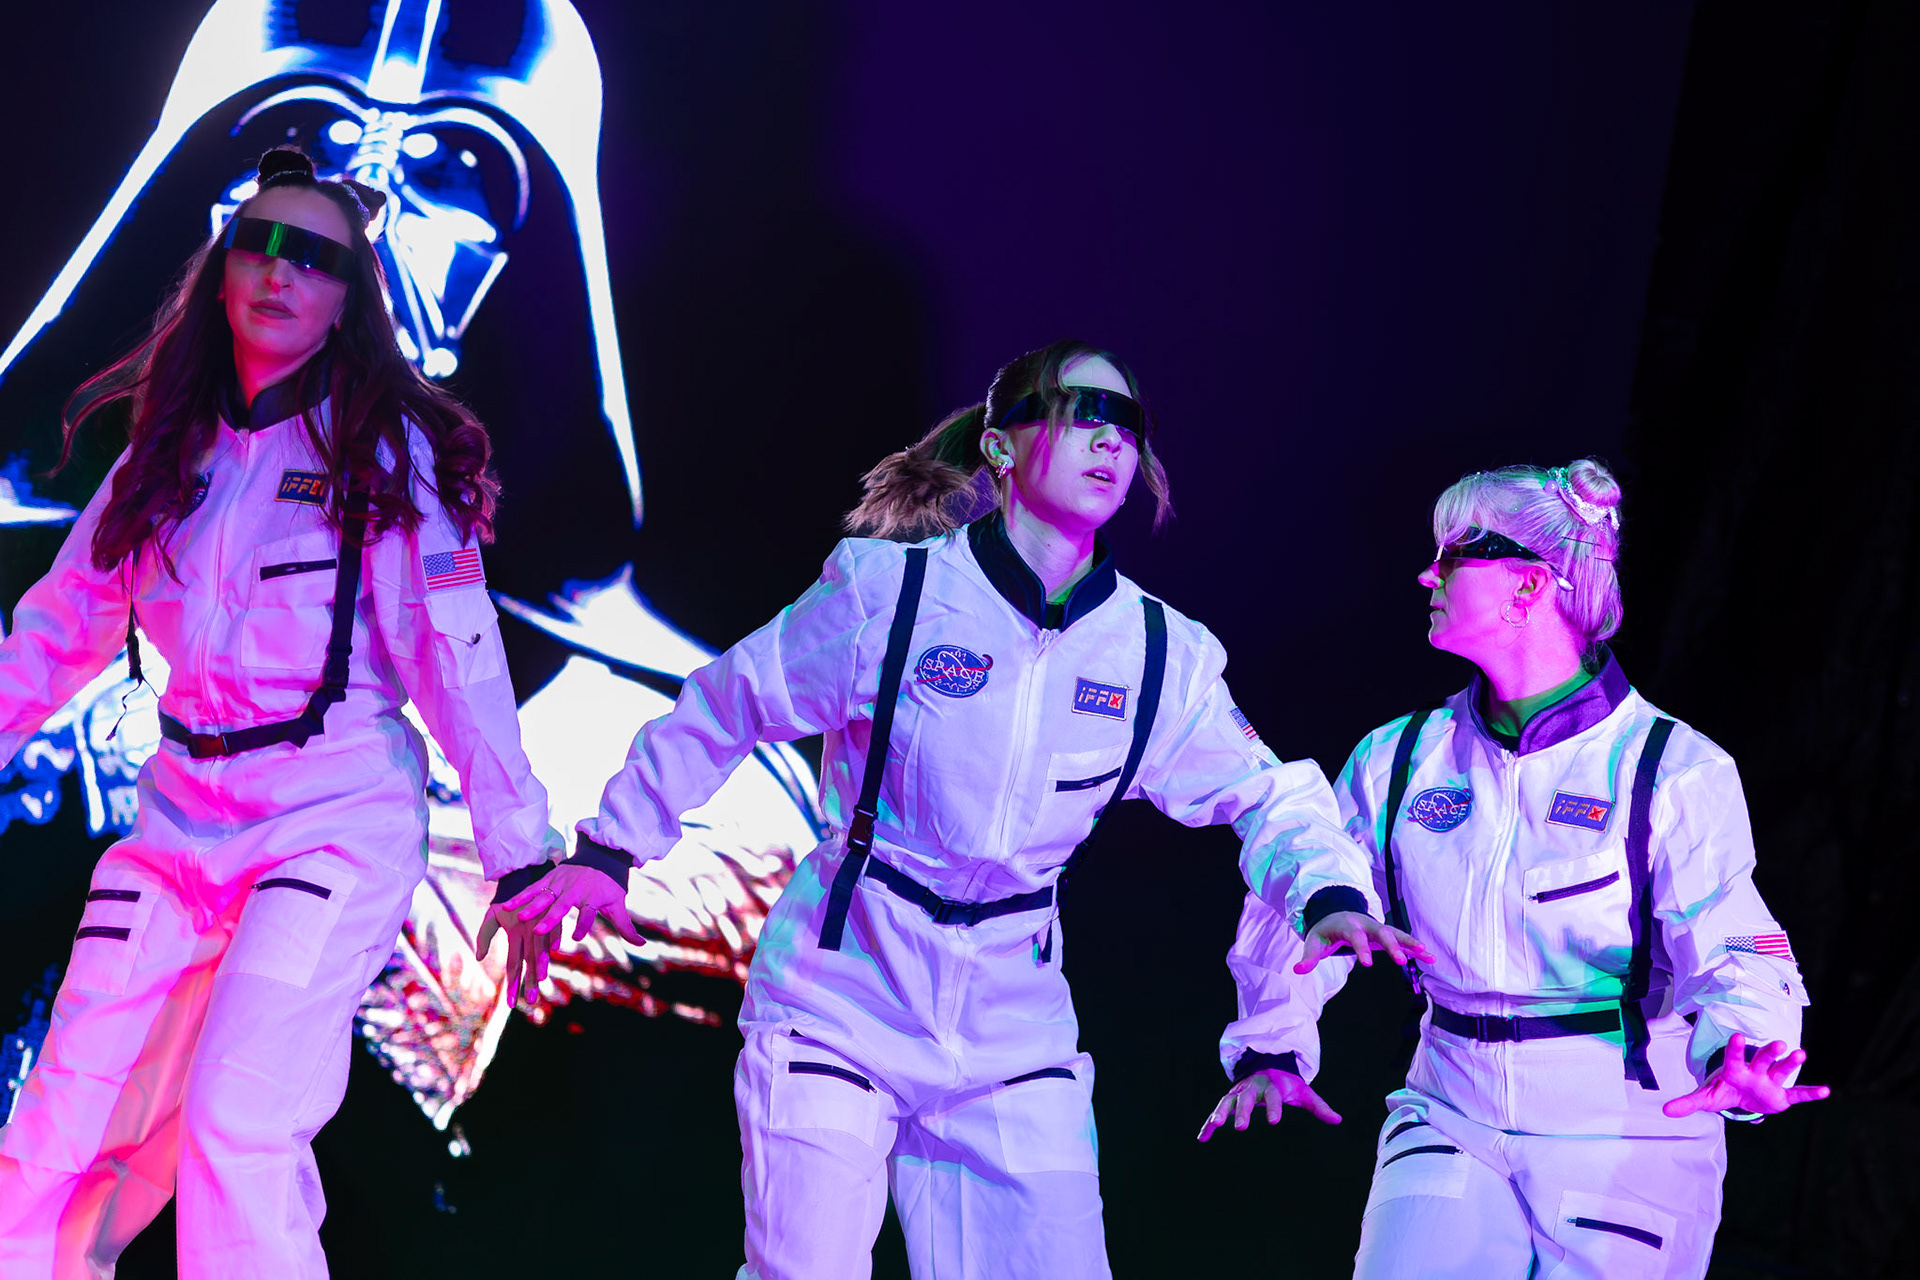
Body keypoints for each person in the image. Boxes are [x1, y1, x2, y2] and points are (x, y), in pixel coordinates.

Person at [510, 338, 1427, 1278]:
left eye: (1128, 423)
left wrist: (1326, 894)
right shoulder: (893, 593)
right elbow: (729, 702)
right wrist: (614, 848)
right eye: (1081, 412)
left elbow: (1270, 794)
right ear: (999, 446)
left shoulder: (1158, 652)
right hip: (842, 992)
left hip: (1011, 1022)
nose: (1111, 440)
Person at [0, 147, 580, 1278]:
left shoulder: (390, 462)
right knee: (55, 1131)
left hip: (329, 826)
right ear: (221, 270)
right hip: (175, 828)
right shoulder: (161, 457)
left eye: (314, 258)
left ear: (348, 297)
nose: (279, 273)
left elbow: (460, 663)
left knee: (239, 1125)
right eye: (259, 245)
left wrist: (521, 855)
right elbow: (53, 635)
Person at [1197, 459, 1827, 1278]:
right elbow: (1302, 896)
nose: (1427, 574)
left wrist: (1745, 1049)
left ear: (1529, 584)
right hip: (1448, 1111)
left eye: (1453, 553)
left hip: (1626, 1135)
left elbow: (1734, 938)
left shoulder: (1672, 768)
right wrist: (1272, 1048)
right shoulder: (1399, 759)